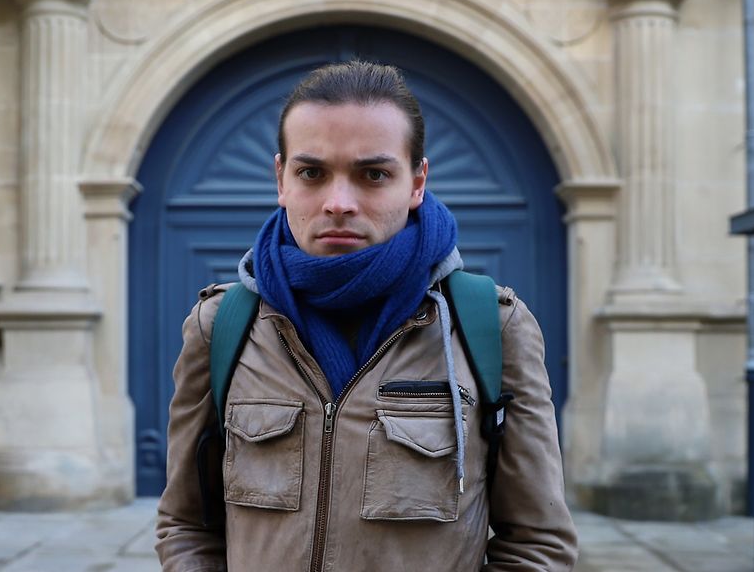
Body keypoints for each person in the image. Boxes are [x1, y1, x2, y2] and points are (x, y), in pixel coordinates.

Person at [153, 61, 577, 571]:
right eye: (312, 173)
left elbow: (537, 544)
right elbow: (186, 525)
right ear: (280, 179)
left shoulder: (491, 326)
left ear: (417, 182)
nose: (339, 203)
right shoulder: (222, 326)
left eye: (373, 174)